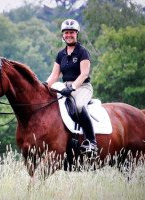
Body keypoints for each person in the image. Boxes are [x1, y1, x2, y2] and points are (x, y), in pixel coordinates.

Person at [44, 19, 97, 154]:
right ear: (63, 35)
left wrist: (72, 87)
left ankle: (92, 142)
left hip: (82, 87)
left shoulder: (82, 52)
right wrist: (44, 86)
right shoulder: (60, 54)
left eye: (72, 32)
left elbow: (84, 74)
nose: (69, 35)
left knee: (79, 106)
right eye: (66, 32)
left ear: (76, 34)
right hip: (65, 87)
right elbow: (54, 76)